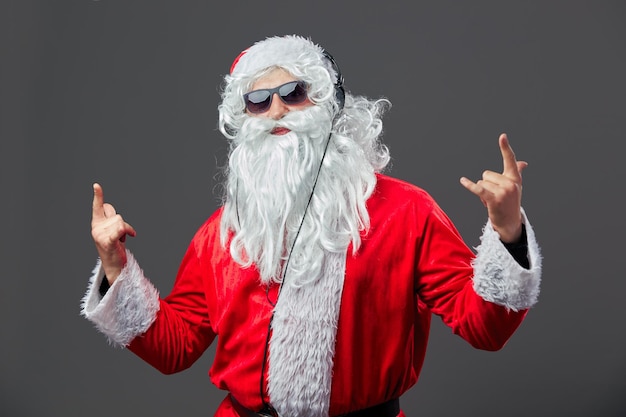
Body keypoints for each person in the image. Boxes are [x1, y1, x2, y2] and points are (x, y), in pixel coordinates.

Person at [81, 35, 542, 417]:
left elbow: (485, 328)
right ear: (244, 119)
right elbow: (174, 347)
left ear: (329, 104)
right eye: (258, 101)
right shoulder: (224, 232)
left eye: (294, 93)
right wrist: (114, 265)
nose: (277, 111)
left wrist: (506, 233)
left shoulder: (406, 212)